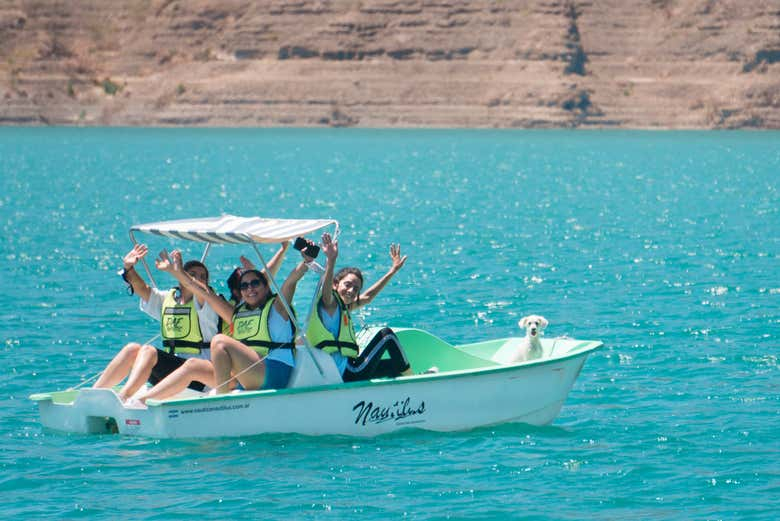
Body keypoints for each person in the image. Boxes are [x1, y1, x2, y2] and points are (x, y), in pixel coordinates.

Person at [93, 242, 287, 402]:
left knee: (150, 351)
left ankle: (125, 398)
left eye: (203, 277)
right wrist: (128, 268)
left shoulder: (208, 301)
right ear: (181, 279)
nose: (199, 280)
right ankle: (92, 397)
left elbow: (262, 285)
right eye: (193, 275)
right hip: (172, 370)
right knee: (132, 349)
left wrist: (281, 251)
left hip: (203, 374)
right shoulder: (167, 299)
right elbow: (141, 289)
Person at [135, 246, 313, 402]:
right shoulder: (236, 314)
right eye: (244, 286)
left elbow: (291, 282)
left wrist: (306, 262)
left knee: (220, 341)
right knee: (193, 366)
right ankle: (142, 401)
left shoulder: (277, 308)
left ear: (266, 287)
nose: (250, 288)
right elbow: (203, 291)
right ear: (240, 292)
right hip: (247, 373)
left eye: (255, 283)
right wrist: (179, 272)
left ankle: (220, 399)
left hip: (274, 372)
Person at [306, 232, 413, 382]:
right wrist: (331, 259)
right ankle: (414, 381)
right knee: (386, 335)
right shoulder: (329, 304)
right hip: (348, 372)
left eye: (356, 289)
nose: (351, 291)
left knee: (393, 366)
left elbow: (368, 297)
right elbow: (326, 289)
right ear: (336, 284)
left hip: (350, 369)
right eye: (347, 285)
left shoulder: (343, 308)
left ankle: (410, 382)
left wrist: (392, 271)